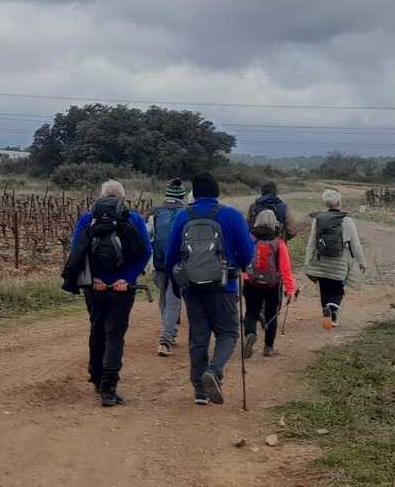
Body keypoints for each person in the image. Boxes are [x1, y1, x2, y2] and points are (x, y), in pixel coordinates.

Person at [162, 173, 255, 406]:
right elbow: (247, 252)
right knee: (229, 332)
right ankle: (214, 371)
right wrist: (240, 265)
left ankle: (200, 391)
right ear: (217, 191)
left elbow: (170, 255)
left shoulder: (183, 216)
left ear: (194, 193)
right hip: (224, 284)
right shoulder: (232, 215)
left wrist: (177, 283)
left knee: (198, 335)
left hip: (192, 286)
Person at [61, 179, 152, 407]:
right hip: (123, 289)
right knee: (115, 334)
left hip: (94, 287)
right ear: (122, 198)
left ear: (101, 197)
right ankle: (109, 389)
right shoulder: (133, 218)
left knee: (97, 329)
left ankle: (96, 378)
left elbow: (77, 250)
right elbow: (144, 252)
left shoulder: (87, 219)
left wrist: (93, 279)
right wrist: (127, 278)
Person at [303, 188, 367, 329]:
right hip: (339, 263)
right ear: (339, 202)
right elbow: (355, 244)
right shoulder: (347, 220)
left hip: (321, 261)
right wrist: (362, 261)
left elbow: (312, 242)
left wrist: (307, 261)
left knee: (324, 289)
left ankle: (327, 317)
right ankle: (331, 311)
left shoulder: (318, 219)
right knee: (338, 290)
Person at [242, 209, 295, 358]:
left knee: (251, 313)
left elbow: (244, 261)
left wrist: (245, 277)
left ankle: (250, 333)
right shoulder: (279, 243)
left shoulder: (250, 239)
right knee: (271, 314)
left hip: (251, 282)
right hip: (272, 285)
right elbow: (285, 269)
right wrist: (290, 289)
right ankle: (268, 347)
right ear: (274, 224)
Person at [148, 178, 188, 357]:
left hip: (158, 263)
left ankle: (170, 332)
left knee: (164, 298)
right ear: (182, 196)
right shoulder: (185, 214)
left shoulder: (155, 212)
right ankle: (165, 339)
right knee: (174, 300)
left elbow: (148, 237)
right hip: (178, 263)